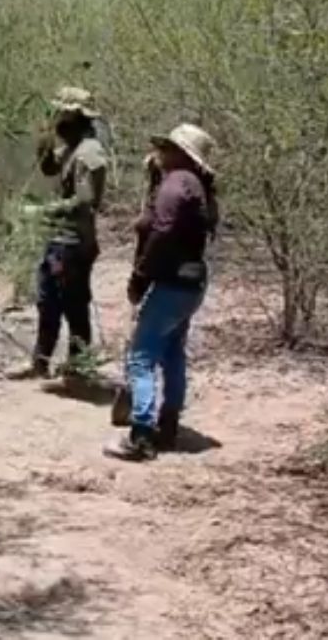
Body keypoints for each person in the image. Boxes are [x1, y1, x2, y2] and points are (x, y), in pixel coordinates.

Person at [104, 123, 218, 462]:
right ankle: (168, 425)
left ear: (181, 153)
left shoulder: (176, 184)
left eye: (166, 148)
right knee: (172, 353)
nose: (159, 153)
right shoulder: (195, 186)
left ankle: (141, 435)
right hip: (190, 285)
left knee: (141, 357)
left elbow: (163, 231)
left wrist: (141, 275)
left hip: (170, 284)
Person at [14, 87, 108, 378]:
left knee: (74, 306)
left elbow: (85, 200)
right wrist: (44, 136)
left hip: (74, 243)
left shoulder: (89, 151)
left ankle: (78, 368)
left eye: (61, 113)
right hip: (59, 239)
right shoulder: (72, 146)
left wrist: (42, 211)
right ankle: (41, 361)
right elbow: (49, 168)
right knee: (48, 303)